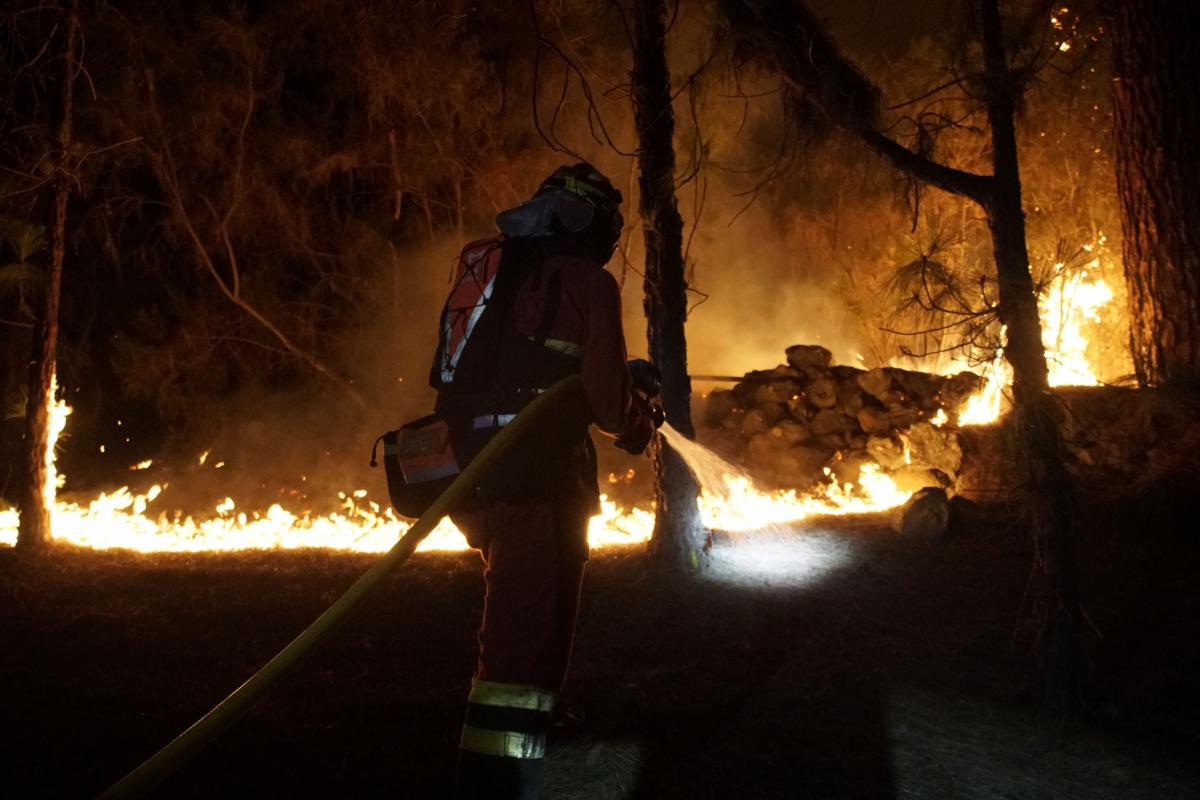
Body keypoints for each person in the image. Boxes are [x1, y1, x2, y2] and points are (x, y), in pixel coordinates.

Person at [428, 163, 663, 799]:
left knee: (531, 610)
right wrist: (640, 420)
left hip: (472, 467)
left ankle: (538, 730)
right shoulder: (589, 281)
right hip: (536, 476)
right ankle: (493, 778)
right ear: (591, 223)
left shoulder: (490, 268)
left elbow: (503, 367)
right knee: (524, 631)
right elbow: (610, 405)